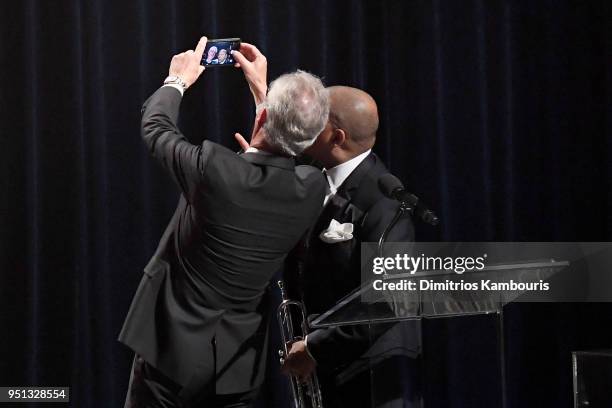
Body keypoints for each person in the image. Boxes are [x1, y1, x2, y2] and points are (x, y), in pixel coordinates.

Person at [119, 37, 329, 408]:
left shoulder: (215, 168)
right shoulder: (312, 189)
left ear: (262, 118)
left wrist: (177, 81)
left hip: (169, 351)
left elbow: (156, 128)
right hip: (237, 364)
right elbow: (286, 145)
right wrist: (262, 95)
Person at [280, 86, 419, 407]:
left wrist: (315, 348)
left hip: (366, 382)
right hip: (326, 377)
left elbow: (389, 299)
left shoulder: (385, 201)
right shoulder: (314, 178)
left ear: (336, 136)